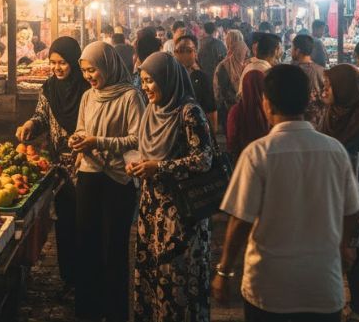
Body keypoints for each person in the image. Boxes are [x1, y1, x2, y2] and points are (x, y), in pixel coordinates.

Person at [213, 64, 359, 321]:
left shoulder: (258, 153)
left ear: (267, 104)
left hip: (270, 290)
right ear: (306, 101)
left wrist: (224, 271)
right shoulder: (335, 151)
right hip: (322, 287)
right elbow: (353, 210)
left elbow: (240, 220)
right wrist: (343, 246)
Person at [128, 52, 214, 321]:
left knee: (177, 280)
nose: (146, 87)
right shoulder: (152, 111)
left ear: (168, 80)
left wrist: (160, 167)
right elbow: (145, 149)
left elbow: (204, 159)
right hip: (151, 208)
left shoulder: (189, 112)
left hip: (180, 213)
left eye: (151, 81)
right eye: (142, 81)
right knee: (154, 276)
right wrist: (138, 164)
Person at [70, 41, 145, 322]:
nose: (89, 76)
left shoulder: (130, 96)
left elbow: (137, 138)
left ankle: (114, 312)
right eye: (85, 71)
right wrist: (78, 140)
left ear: (108, 66)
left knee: (114, 248)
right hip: (88, 176)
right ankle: (89, 309)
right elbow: (81, 128)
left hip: (117, 179)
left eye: (93, 70)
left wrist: (97, 141)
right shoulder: (89, 96)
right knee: (86, 244)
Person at [15, 37, 89, 294]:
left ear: (75, 63)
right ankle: (69, 276)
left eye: (63, 63)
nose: (57, 68)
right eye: (53, 62)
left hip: (87, 166)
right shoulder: (48, 88)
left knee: (86, 222)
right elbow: (41, 116)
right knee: (66, 221)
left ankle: (87, 277)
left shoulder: (88, 90)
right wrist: (30, 125)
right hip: (60, 169)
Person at [319, 64, 359, 321]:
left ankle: (358, 310)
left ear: (344, 87)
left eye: (329, 85)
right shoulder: (330, 113)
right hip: (328, 196)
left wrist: (342, 172)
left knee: (357, 259)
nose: (324, 90)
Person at [174, 35, 218, 131]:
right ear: (174, 53)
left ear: (195, 53)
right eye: (180, 51)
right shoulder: (170, 77)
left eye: (188, 50)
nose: (184, 55)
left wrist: (212, 135)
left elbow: (211, 110)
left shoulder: (202, 78)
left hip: (198, 131)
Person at [226, 70, 268, 159]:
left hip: (243, 158)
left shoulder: (236, 110)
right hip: (267, 157)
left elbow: (232, 139)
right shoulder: (269, 108)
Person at [214, 29, 248, 135]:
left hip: (230, 112)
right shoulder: (247, 64)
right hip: (242, 110)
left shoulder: (223, 66)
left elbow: (219, 93)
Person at [291, 34, 325, 126]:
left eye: (292, 48)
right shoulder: (321, 71)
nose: (291, 51)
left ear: (297, 51)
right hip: (317, 122)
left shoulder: (290, 71)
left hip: (295, 121)